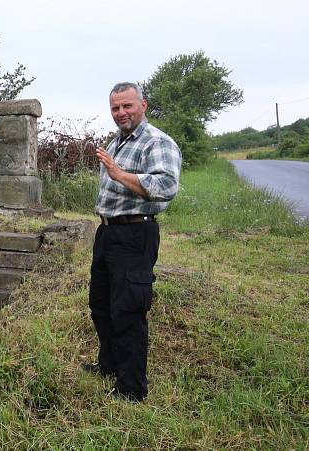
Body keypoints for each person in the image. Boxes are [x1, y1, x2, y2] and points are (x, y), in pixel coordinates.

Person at [82, 82, 182, 402]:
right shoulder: (116, 143)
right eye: (115, 108)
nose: (121, 113)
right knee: (101, 304)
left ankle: (131, 387)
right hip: (108, 232)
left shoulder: (157, 142)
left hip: (135, 233)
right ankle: (109, 364)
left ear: (143, 105)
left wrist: (119, 173)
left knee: (128, 309)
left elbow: (165, 186)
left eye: (127, 106)